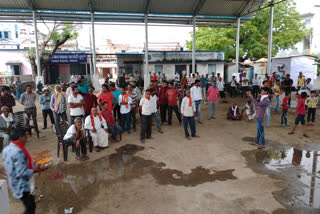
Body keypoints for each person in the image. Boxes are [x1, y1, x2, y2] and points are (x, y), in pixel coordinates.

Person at [2, 128, 48, 214]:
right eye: (25, 137)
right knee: (30, 208)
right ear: (21, 138)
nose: (26, 139)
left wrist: (34, 161)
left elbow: (14, 165)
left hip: (14, 183)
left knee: (30, 206)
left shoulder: (7, 149)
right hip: (22, 186)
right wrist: (38, 169)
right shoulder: (18, 151)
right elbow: (22, 172)